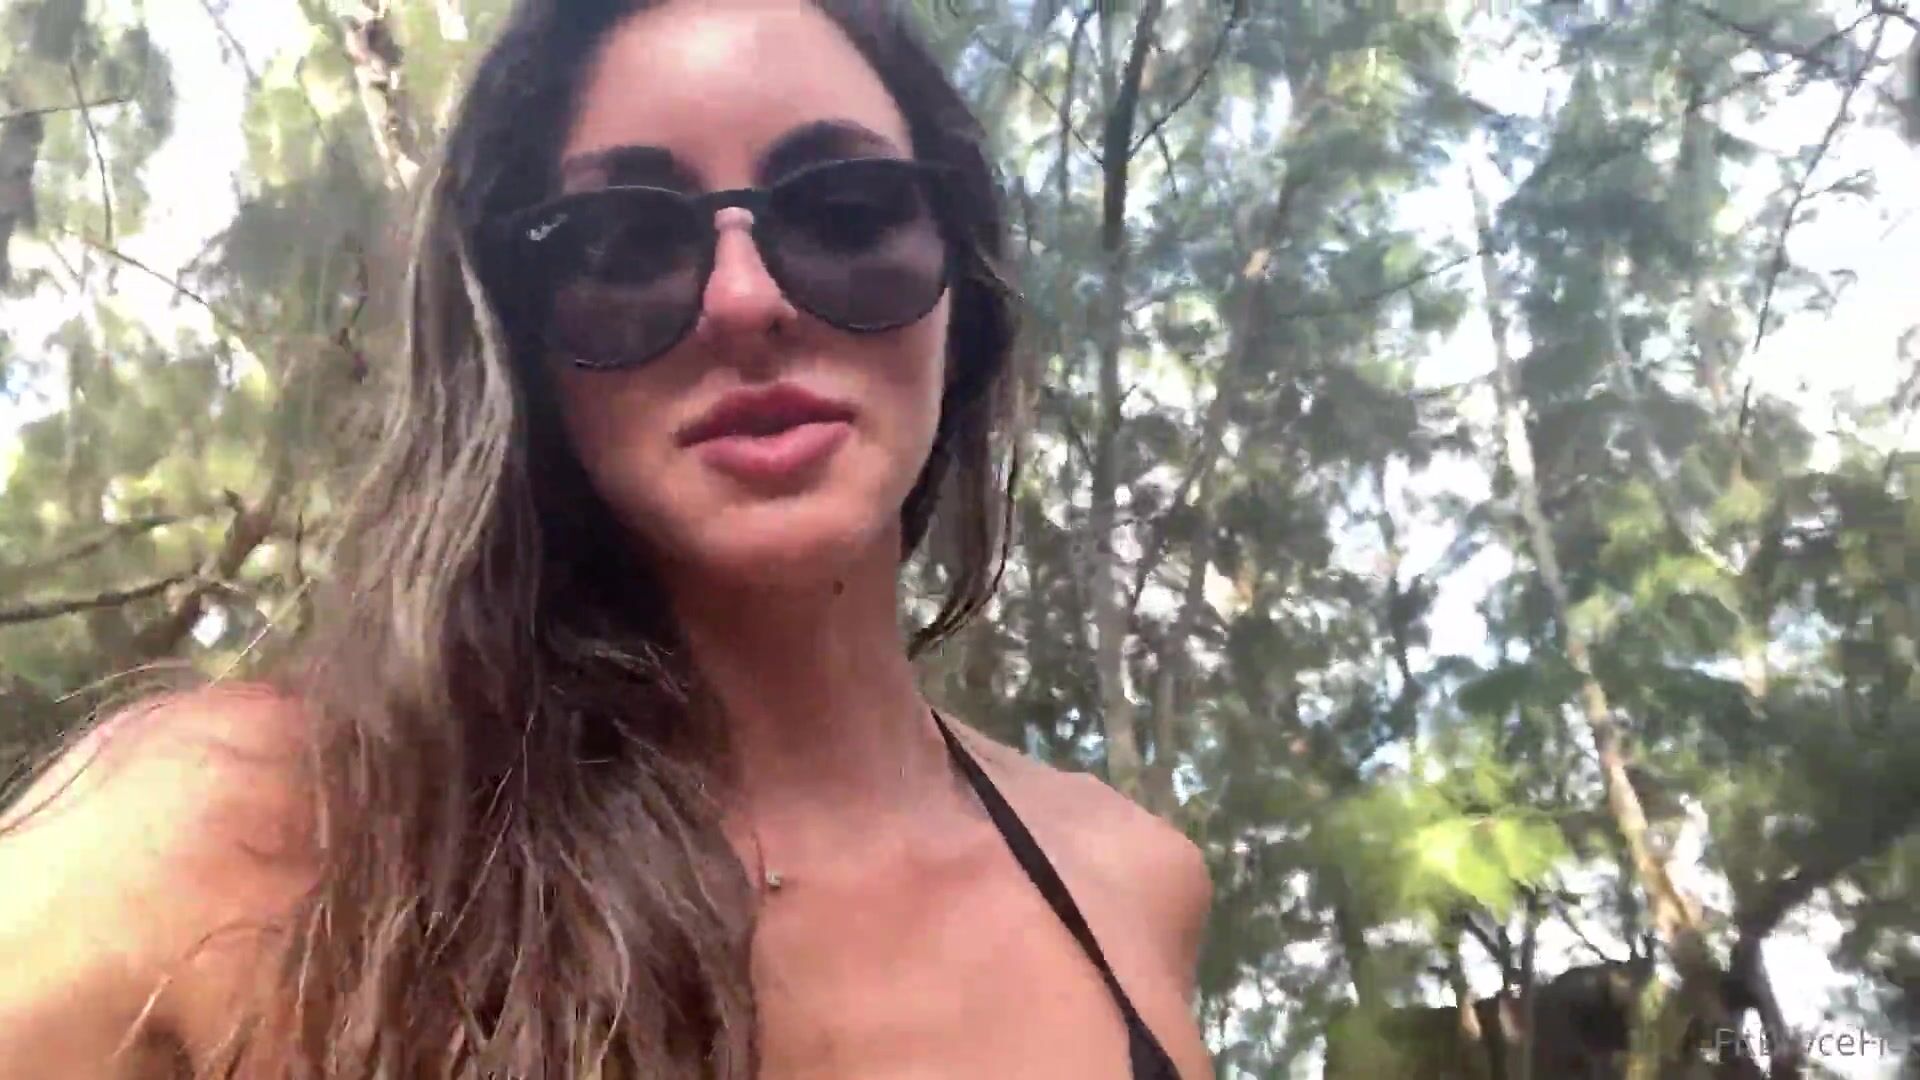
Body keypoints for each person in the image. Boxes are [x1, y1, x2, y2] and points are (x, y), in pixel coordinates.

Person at [0, 0, 1215, 1075]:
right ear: (519, 346)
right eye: (626, 246)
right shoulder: (240, 832)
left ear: (962, 281)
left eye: (845, 213)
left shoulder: (1127, 881)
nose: (746, 300)